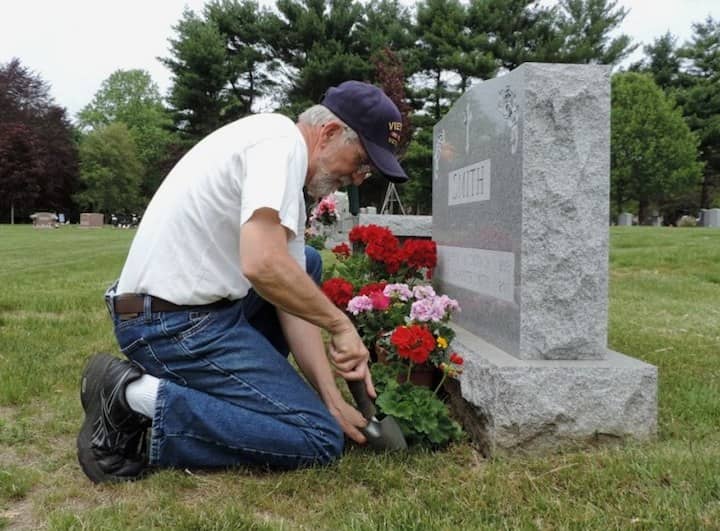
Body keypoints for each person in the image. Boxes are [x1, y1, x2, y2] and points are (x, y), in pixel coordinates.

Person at [76, 81, 409, 483]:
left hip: (193, 313)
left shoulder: (278, 148)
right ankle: (133, 400)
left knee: (307, 264)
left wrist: (331, 399)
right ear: (330, 133)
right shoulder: (278, 147)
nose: (358, 178)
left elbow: (290, 291)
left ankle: (230, 402)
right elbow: (262, 265)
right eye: (361, 160)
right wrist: (340, 324)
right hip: (170, 327)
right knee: (317, 438)